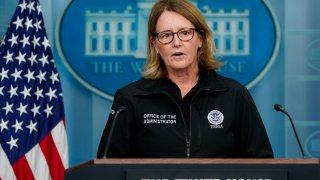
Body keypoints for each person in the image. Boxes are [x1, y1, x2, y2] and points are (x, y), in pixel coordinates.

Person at [97, 0, 274, 158]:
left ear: (201, 39)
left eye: (185, 33)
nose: (176, 42)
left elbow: (263, 166)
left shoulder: (234, 95)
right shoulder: (129, 99)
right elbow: (108, 170)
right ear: (155, 45)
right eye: (166, 35)